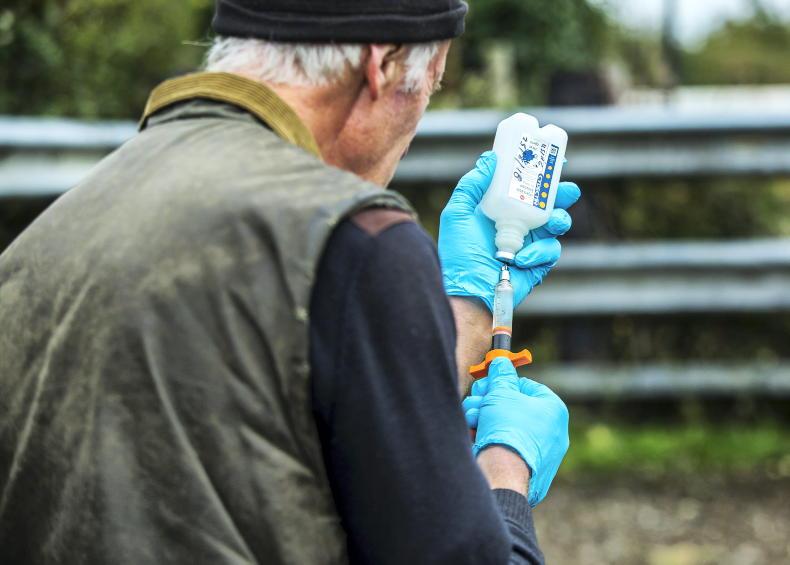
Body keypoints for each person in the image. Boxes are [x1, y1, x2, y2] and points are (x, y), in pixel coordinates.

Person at [0, 1, 580, 563]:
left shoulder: (49, 232)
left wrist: (468, 307)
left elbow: (268, 423)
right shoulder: (355, 240)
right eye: (430, 87)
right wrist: (505, 473)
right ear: (382, 65)